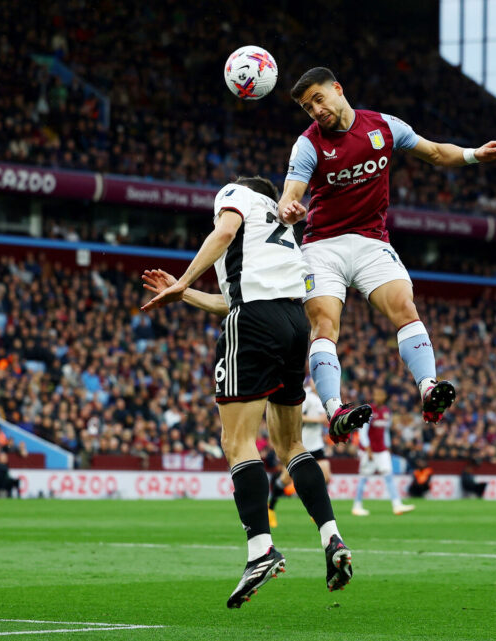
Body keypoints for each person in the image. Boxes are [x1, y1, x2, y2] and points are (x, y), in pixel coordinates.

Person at [141, 176, 353, 609]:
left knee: (236, 442)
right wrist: (184, 296)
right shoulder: (279, 225)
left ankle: (260, 550)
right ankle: (332, 536)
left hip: (254, 323)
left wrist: (182, 279)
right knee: (289, 443)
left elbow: (223, 235)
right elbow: (229, 296)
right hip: (296, 324)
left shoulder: (237, 195)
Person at [278, 67, 496, 441]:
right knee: (324, 324)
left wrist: (473, 155)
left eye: (318, 99)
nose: (315, 111)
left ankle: (427, 388)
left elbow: (436, 153)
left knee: (405, 308)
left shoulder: (384, 126)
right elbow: (289, 196)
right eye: (308, 108)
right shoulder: (308, 144)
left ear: (337, 89)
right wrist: (290, 209)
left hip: (373, 242)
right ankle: (334, 410)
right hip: (322, 246)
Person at [268, 379, 331, 528]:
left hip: (316, 445)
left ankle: (317, 511)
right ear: (311, 383)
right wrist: (310, 419)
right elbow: (305, 418)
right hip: (301, 445)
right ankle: (270, 508)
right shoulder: (309, 397)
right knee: (284, 479)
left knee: (326, 476)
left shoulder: (322, 398)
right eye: (316, 381)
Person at [351, 388, 414, 516]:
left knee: (389, 476)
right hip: (369, 451)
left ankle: (397, 505)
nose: (379, 396)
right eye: (377, 394)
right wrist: (368, 449)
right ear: (374, 396)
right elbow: (363, 432)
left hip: (382, 450)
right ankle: (357, 506)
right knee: (364, 477)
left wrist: (388, 447)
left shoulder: (386, 411)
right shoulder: (368, 411)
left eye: (381, 394)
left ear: (384, 396)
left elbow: (385, 432)